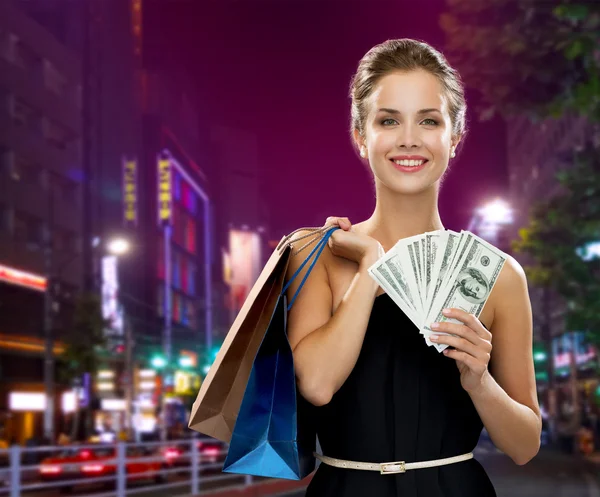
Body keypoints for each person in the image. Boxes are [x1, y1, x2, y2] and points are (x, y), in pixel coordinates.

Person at [285, 38, 541, 496]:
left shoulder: (500, 275)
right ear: (361, 137)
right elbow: (318, 385)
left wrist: (480, 382)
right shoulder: (315, 253)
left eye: (429, 120)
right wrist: (370, 267)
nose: (408, 138)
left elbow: (524, 445)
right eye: (388, 121)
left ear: (454, 138)